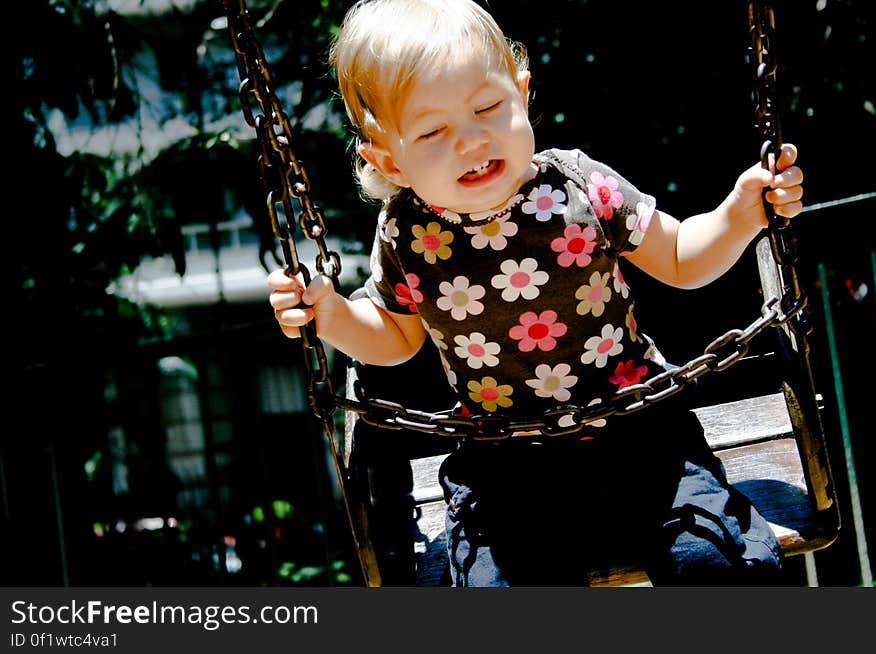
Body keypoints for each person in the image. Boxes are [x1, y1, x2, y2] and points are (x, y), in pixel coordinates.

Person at [268, 0, 804, 586]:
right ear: (387, 158)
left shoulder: (577, 186)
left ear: (521, 92)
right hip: (506, 458)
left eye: (488, 107)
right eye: (433, 130)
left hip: (640, 430)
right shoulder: (405, 232)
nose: (472, 140)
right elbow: (395, 337)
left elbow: (679, 258)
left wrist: (740, 213)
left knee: (714, 557)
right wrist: (332, 314)